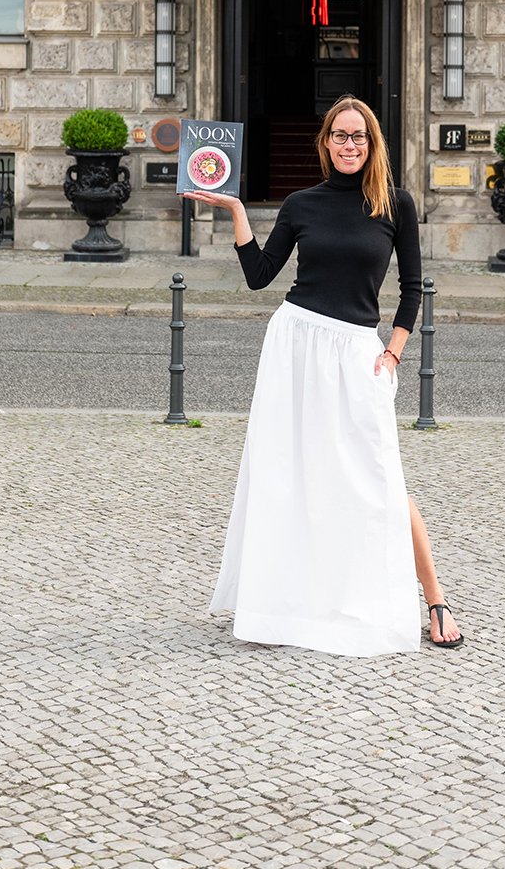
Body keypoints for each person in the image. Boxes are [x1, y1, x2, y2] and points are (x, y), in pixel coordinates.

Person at [183, 96, 465, 655]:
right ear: (325, 143)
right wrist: (239, 214)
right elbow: (260, 277)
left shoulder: (395, 205)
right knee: (291, 472)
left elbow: (413, 289)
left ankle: (434, 600)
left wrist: (394, 352)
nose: (349, 145)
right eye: (340, 135)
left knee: (381, 478)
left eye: (359, 136)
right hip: (295, 344)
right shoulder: (300, 204)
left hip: (359, 351)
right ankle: (295, 600)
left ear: (373, 142)